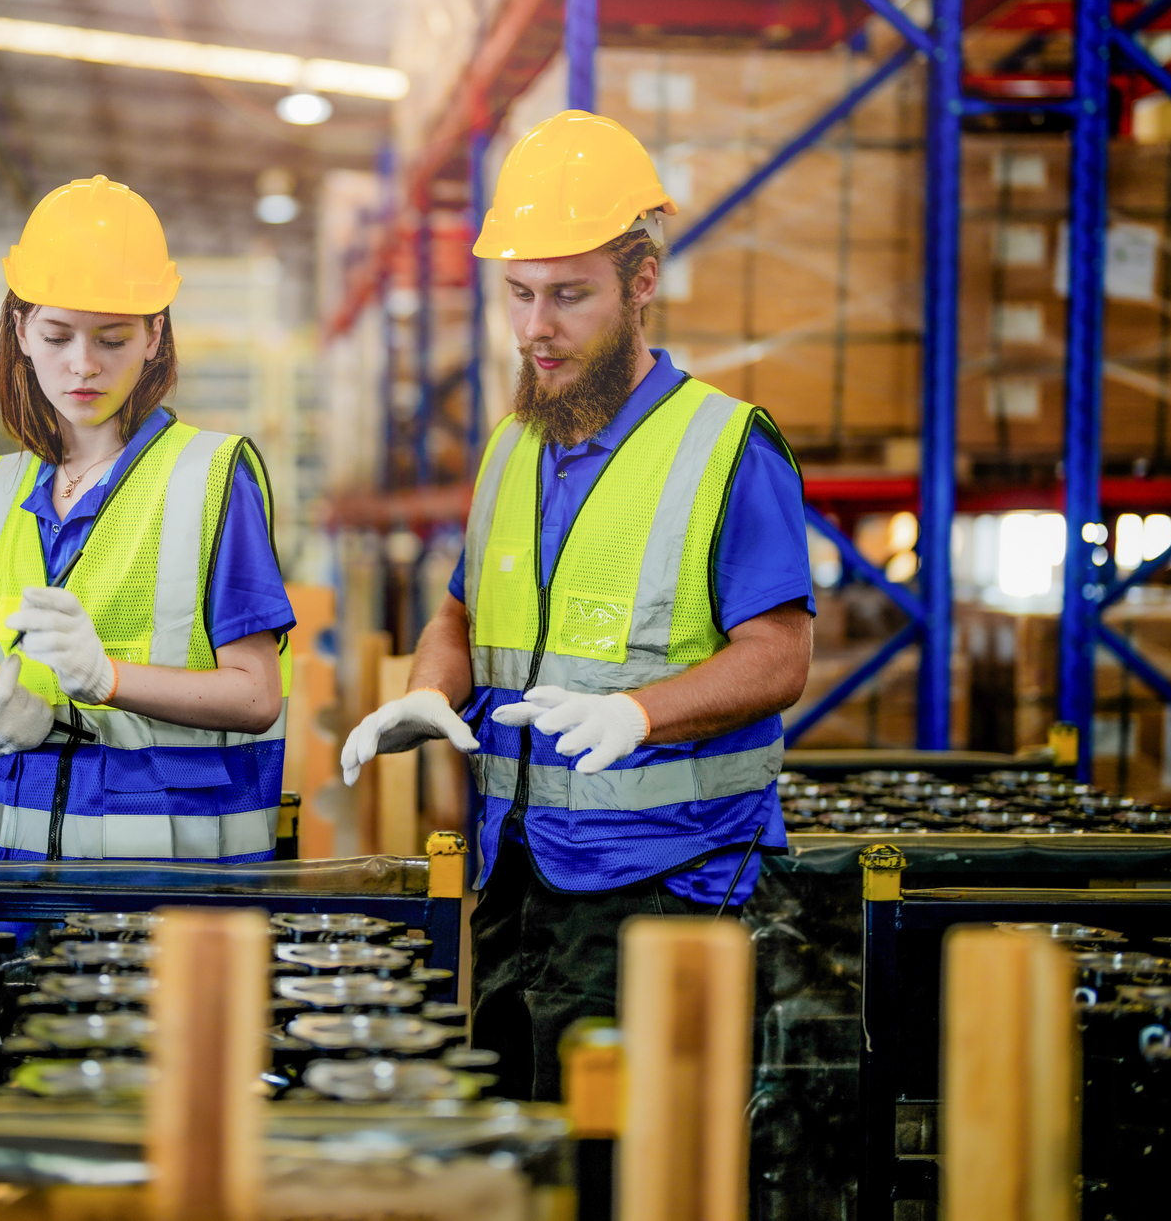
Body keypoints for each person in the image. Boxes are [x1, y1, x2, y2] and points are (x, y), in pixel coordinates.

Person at [339, 111, 815, 1100]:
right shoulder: (513, 446)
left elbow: (780, 656)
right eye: (517, 294)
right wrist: (432, 690)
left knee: (631, 1174)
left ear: (641, 280)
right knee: (523, 1149)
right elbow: (463, 613)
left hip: (670, 884)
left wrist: (638, 713)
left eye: (568, 295)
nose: (535, 328)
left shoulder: (726, 449)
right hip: (518, 871)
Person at [0, 175, 295, 862]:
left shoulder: (212, 478)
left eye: (111, 339)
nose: (81, 365)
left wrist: (106, 680)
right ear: (20, 330)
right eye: (57, 335)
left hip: (170, 883)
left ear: (155, 334)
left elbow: (256, 698)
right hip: (19, 875)